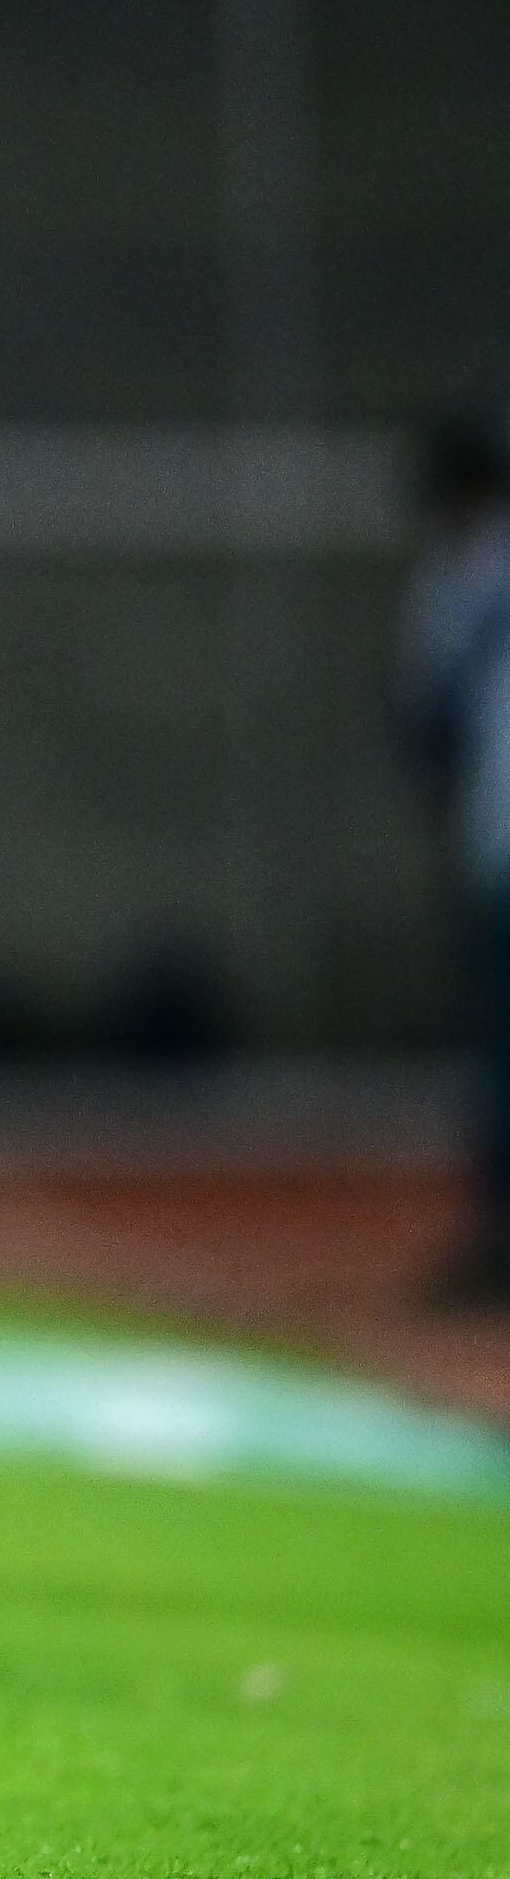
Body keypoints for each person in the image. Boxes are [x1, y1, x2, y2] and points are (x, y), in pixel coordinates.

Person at [401, 410, 510, 1310]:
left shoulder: (455, 584)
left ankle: (497, 1236)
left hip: (497, 842)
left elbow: (428, 721)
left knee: (498, 1054)